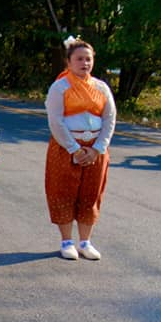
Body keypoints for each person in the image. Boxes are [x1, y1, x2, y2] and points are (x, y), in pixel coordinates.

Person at [45, 37, 116, 260]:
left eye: (88, 59)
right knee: (63, 192)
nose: (84, 63)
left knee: (91, 194)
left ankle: (85, 242)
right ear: (68, 62)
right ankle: (67, 241)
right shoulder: (60, 87)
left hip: (95, 148)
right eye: (79, 59)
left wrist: (97, 148)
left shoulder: (101, 87)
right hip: (67, 148)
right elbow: (56, 121)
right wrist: (74, 148)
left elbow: (110, 118)